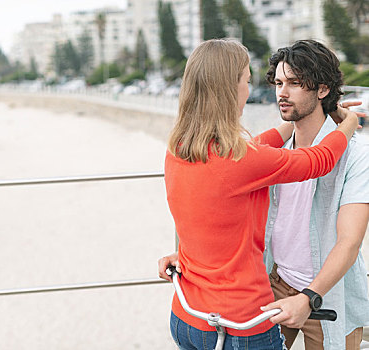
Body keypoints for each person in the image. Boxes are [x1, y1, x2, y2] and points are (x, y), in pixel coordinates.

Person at [157, 39, 360, 350]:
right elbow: (318, 161)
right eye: (246, 81)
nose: (254, 91)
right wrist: (348, 124)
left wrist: (188, 253)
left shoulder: (179, 149)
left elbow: (253, 152)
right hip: (238, 322)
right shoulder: (246, 160)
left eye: (294, 83)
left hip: (186, 315)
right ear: (229, 89)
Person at [259, 40, 369, 350]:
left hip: (327, 293)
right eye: (279, 82)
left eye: (294, 83)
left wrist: (310, 297)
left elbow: (350, 241)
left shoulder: (355, 154)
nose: (282, 92)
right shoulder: (275, 151)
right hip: (276, 283)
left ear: (322, 90)